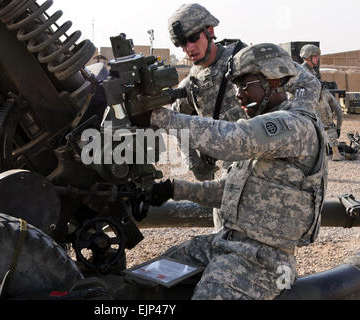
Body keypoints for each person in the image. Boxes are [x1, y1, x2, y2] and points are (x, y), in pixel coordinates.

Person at [133, 43, 328, 300]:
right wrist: (172, 189)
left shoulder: (295, 125)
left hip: (264, 261)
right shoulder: (265, 130)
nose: (238, 94)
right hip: (225, 244)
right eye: (235, 86)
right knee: (143, 281)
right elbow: (228, 192)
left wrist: (159, 117)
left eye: (245, 85)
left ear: (274, 80)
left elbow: (232, 140)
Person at [166, 3, 322, 232]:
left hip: (269, 173)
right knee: (224, 238)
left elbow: (308, 83)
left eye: (192, 38)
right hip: (232, 178)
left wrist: (295, 122)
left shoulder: (247, 60)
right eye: (181, 43)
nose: (188, 48)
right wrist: (196, 163)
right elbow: (180, 122)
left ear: (209, 30)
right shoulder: (191, 84)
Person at [300, 44, 344, 161]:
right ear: (308, 57)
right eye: (315, 56)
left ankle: (325, 153)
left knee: (322, 127)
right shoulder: (303, 71)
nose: (317, 58)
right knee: (328, 126)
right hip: (316, 103)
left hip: (318, 99)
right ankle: (335, 153)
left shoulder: (309, 70)